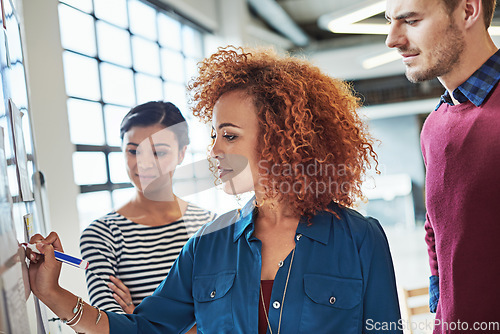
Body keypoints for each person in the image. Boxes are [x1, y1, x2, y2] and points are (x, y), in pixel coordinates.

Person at [27, 46, 402, 333]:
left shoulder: (360, 239)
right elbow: (143, 328)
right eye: (214, 135)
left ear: (281, 140)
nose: (216, 150)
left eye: (230, 135)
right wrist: (52, 294)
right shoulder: (207, 244)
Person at [385, 0, 500, 332]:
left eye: (410, 20)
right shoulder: (434, 127)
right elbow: (436, 229)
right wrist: (441, 306)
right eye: (390, 21)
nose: (392, 39)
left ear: (467, 10)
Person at [80, 102, 214, 332]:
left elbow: (223, 318)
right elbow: (108, 327)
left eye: (158, 152)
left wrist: (141, 320)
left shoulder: (210, 226)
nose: (143, 163)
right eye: (133, 151)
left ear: (182, 153)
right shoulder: (102, 235)